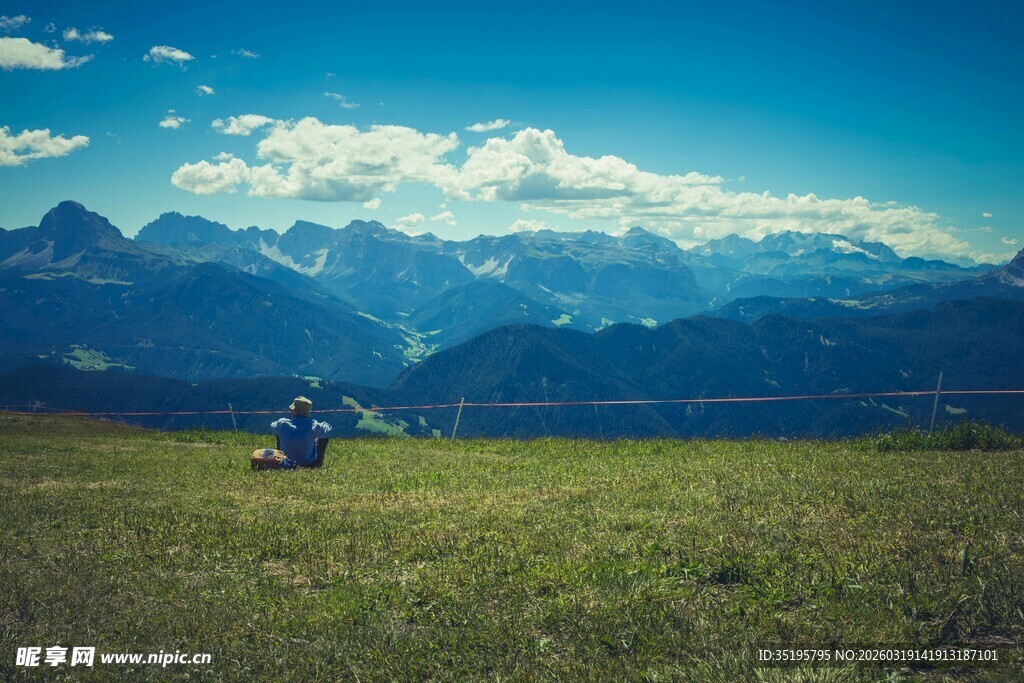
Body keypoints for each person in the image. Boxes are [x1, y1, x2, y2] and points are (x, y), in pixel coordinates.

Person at [270, 396, 332, 469]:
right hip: (309, 464)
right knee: (323, 436)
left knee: (279, 431)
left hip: (286, 463)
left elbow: (272, 425)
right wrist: (323, 424)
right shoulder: (314, 426)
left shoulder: (283, 424)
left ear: (294, 411)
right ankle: (317, 464)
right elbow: (328, 430)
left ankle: (280, 456)